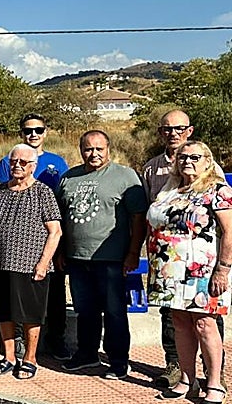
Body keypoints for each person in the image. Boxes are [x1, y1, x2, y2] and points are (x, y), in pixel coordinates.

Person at [141, 109, 226, 389]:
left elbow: (229, 230)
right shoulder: (166, 186)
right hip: (169, 272)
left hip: (201, 272)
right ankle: (184, 377)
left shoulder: (217, 188)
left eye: (194, 158)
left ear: (206, 162)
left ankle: (215, 380)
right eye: (183, 159)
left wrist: (223, 269)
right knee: (178, 324)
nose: (187, 161)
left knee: (205, 324)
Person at [57, 130, 148, 380]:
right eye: (88, 149)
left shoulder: (126, 177)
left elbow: (138, 219)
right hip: (77, 259)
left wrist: (132, 253)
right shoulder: (69, 178)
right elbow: (61, 220)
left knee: (115, 312)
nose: (93, 153)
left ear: (108, 149)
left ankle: (119, 360)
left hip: (112, 258)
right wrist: (62, 250)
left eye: (99, 148)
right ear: (80, 150)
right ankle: (87, 353)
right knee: (85, 310)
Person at [0, 143, 63, 380]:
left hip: (30, 265)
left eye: (22, 162)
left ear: (33, 166)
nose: (16, 166)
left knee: (31, 315)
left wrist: (44, 263)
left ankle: (30, 359)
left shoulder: (43, 192)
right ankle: (9, 357)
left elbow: (55, 231)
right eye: (13, 161)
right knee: (4, 313)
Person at [0, 113, 70, 359]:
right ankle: (12, 351)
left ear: (46, 132)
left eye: (38, 129)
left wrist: (49, 257)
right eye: (28, 130)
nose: (33, 134)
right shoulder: (7, 162)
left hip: (43, 243)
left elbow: (58, 217)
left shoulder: (56, 163)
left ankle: (54, 342)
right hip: (6, 256)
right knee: (8, 304)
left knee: (51, 298)